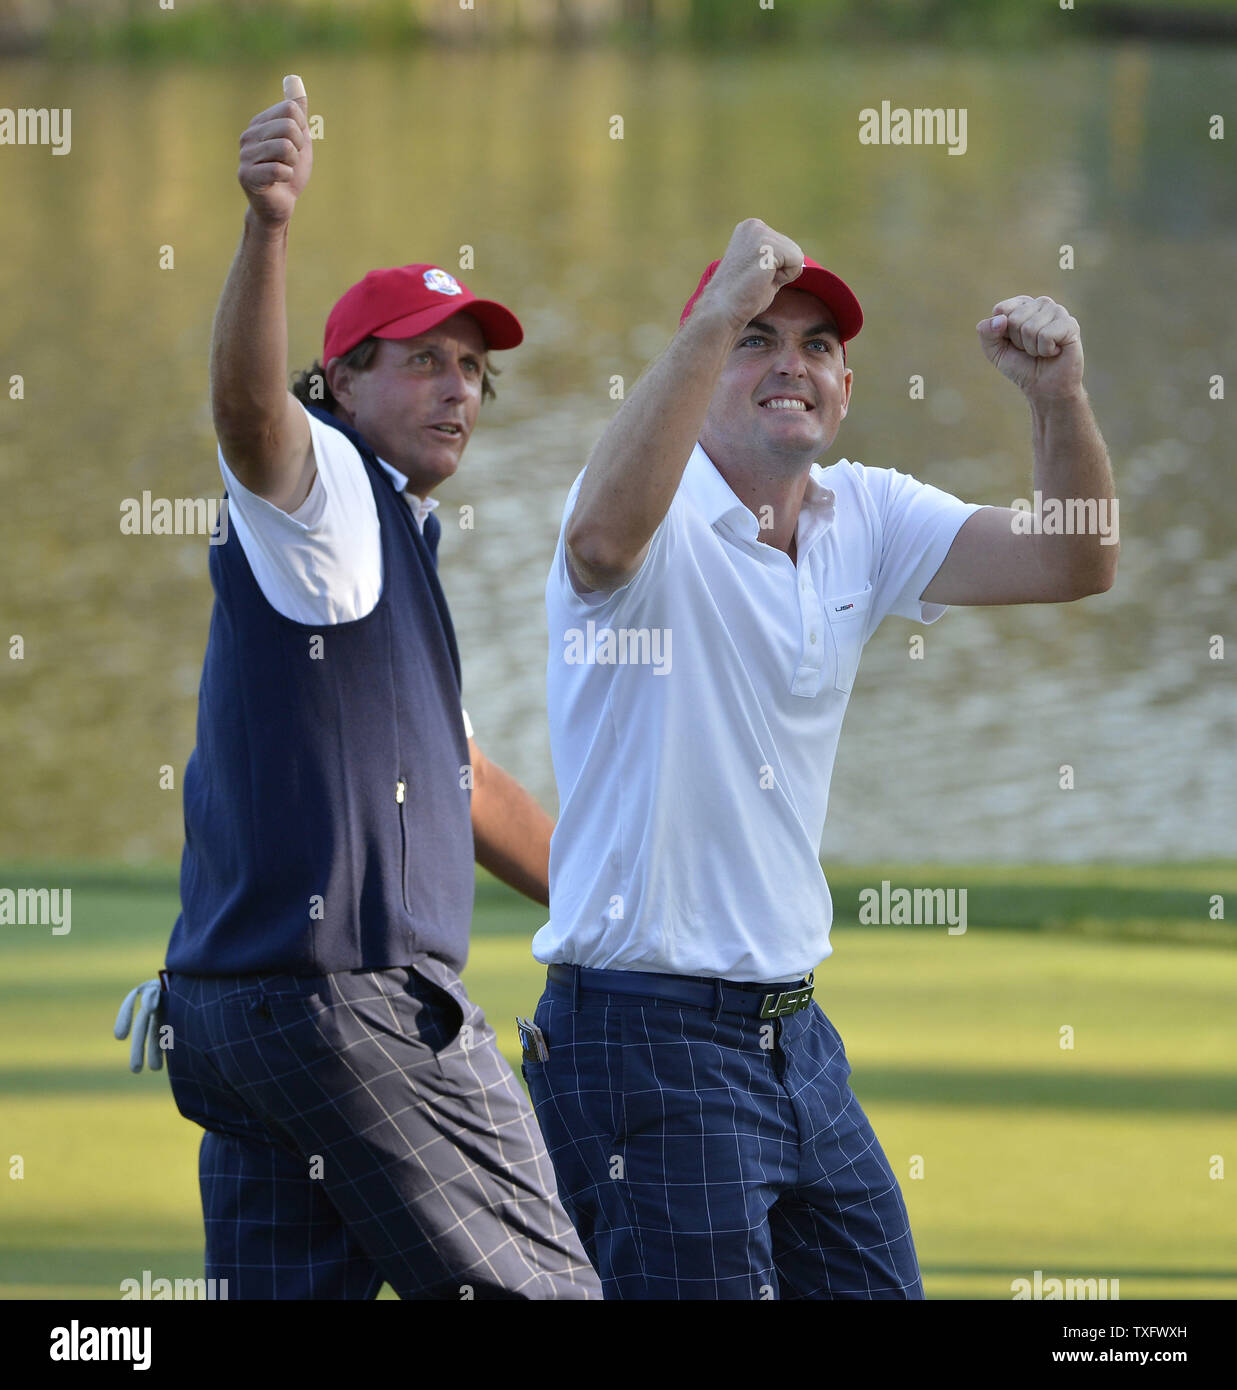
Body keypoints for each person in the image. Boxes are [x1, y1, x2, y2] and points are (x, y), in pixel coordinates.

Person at [522, 217, 1117, 1300]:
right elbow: (602, 547)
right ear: (696, 363)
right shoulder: (638, 512)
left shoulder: (867, 514)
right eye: (755, 337)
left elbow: (1075, 557)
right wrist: (712, 313)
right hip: (640, 1037)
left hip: (793, 1036)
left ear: (844, 388)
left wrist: (1056, 399)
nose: (788, 362)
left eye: (816, 345)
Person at [115, 75, 599, 1301]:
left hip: (236, 1017)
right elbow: (245, 415)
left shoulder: (391, 551)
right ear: (338, 383)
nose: (459, 389)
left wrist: (628, 908)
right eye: (425, 361)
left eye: (475, 369)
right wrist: (269, 223)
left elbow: (471, 784)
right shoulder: (324, 487)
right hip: (354, 1008)